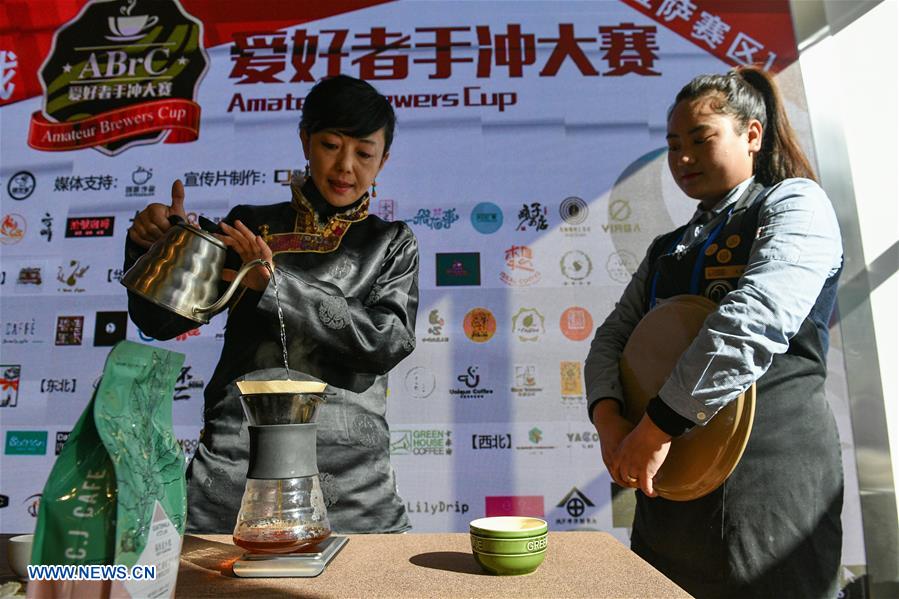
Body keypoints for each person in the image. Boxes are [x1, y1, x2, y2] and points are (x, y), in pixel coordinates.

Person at [584, 67, 843, 598]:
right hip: (671, 487)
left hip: (770, 487)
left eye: (701, 140)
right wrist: (611, 422)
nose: (682, 158)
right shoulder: (668, 246)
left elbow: (752, 319)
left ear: (752, 135)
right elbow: (610, 341)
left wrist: (654, 429)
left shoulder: (795, 204)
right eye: (673, 144)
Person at [124, 75, 419, 534]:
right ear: (305, 140)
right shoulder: (250, 226)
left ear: (384, 160)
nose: (346, 166)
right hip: (237, 464)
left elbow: (387, 341)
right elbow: (159, 321)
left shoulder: (390, 242)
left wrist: (273, 284)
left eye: (364, 153)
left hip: (352, 478)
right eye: (330, 145)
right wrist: (158, 249)